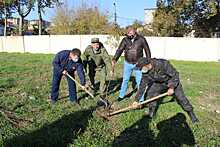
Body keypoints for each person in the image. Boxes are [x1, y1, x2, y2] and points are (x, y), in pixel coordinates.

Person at [133, 57, 199, 124]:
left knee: (181, 98)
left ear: (147, 65)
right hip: (159, 83)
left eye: (141, 68)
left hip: (171, 81)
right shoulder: (145, 72)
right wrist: (136, 100)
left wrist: (172, 87)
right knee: (151, 94)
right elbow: (142, 85)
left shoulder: (162, 64)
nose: (140, 70)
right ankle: (151, 113)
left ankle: (192, 115)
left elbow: (175, 75)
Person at [112, 27, 151, 102]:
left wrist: (148, 61)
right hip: (127, 63)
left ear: (134, 32)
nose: (128, 35)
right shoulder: (125, 40)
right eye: (127, 34)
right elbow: (119, 50)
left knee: (139, 81)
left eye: (130, 33)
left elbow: (147, 50)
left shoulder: (141, 39)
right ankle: (121, 96)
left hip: (138, 64)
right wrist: (115, 59)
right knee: (125, 80)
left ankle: (141, 99)